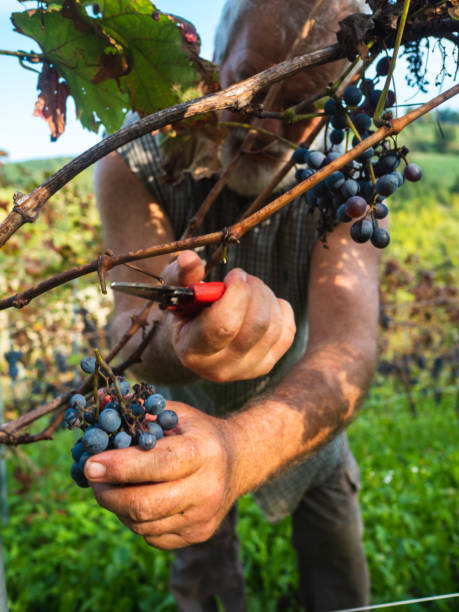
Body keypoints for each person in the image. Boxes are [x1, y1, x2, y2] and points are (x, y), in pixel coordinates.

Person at [89, 0, 382, 610]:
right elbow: (133, 325)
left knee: (341, 582)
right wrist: (174, 337)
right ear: (218, 63)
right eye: (254, 86)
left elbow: (347, 350)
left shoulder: (350, 179)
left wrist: (239, 450)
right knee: (205, 587)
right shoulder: (134, 159)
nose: (264, 128)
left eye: (300, 106)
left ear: (335, 103)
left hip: (306, 422)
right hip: (179, 430)